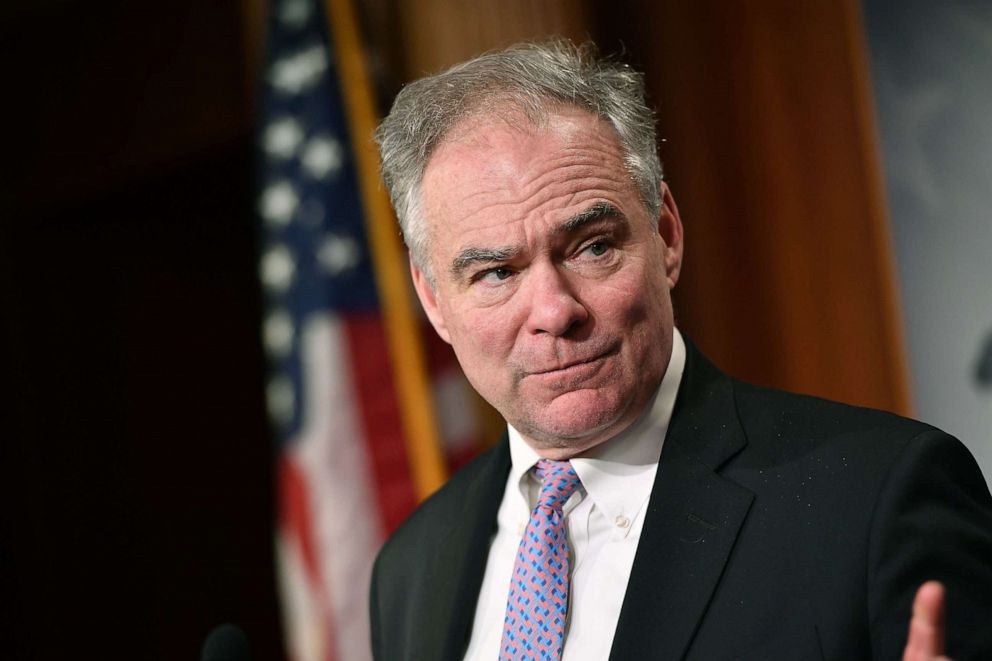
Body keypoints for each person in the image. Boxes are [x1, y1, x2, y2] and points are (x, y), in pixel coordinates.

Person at [369, 40, 992, 660]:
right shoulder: (410, 569)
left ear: (665, 235)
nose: (555, 311)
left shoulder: (877, 498)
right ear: (433, 301)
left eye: (592, 246)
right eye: (497, 273)